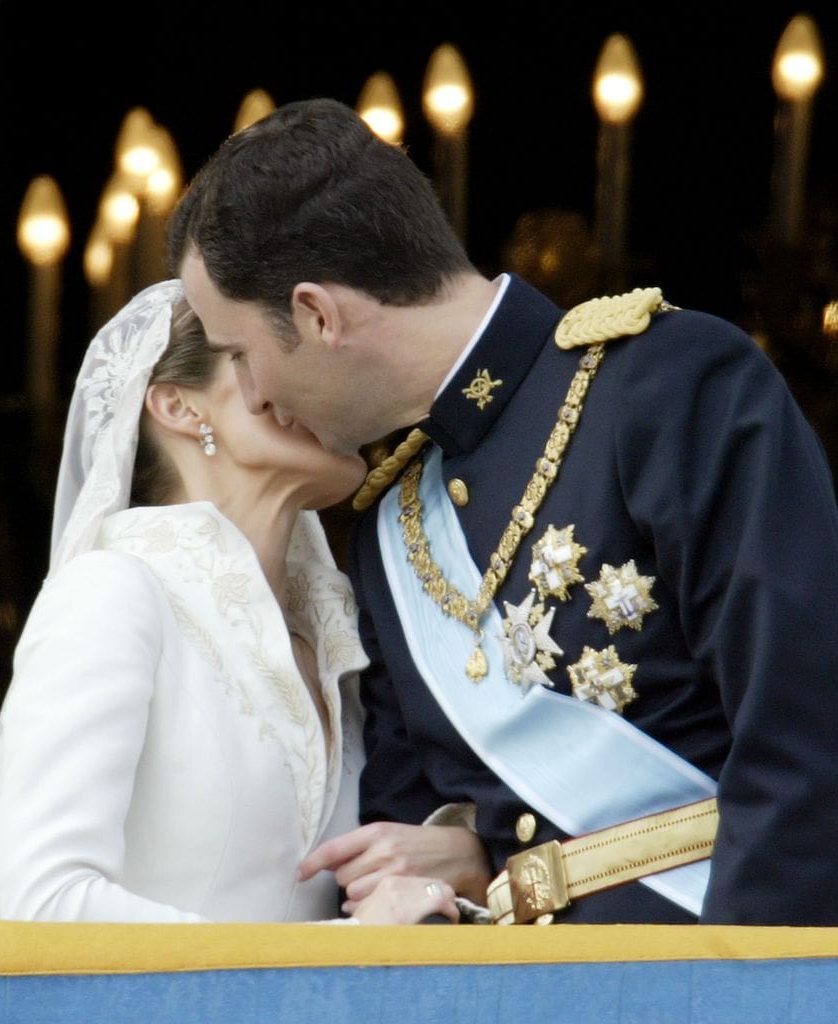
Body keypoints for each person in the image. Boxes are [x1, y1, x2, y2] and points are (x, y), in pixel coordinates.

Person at [167, 98, 838, 926]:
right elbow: (414, 856)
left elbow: (804, 741)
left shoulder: (665, 387)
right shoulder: (392, 530)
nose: (253, 393)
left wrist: (741, 997)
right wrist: (475, 853)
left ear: (316, 314)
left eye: (240, 353)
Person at [0, 279, 461, 925]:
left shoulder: (340, 639)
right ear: (179, 406)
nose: (325, 384)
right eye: (274, 354)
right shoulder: (111, 593)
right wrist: (335, 949)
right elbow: (43, 906)